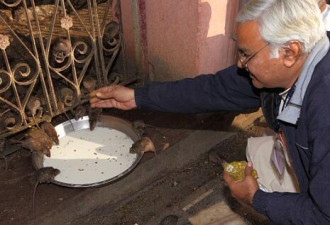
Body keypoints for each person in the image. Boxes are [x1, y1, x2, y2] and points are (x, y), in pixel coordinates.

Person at [90, 0, 330, 224]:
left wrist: (256, 199)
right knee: (259, 155)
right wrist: (137, 97)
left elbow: (323, 215)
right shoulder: (288, 67)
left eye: (247, 54)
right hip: (305, 162)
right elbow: (213, 89)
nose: (240, 63)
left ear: (289, 53)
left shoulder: (324, 112)